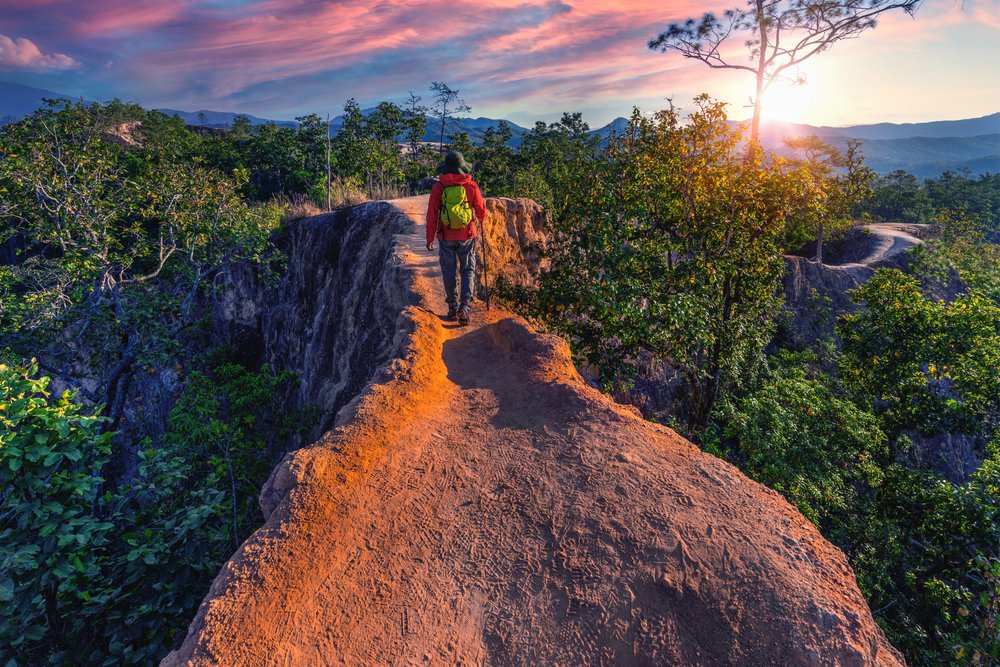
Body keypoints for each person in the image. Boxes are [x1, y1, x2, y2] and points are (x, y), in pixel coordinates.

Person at [425, 151, 487, 325]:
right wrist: (480, 219)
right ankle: (465, 307)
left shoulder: (439, 187)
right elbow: (482, 211)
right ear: (462, 167)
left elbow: (432, 215)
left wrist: (430, 238)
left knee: (449, 272)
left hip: (445, 236)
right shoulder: (471, 186)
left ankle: (452, 309)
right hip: (467, 235)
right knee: (467, 270)